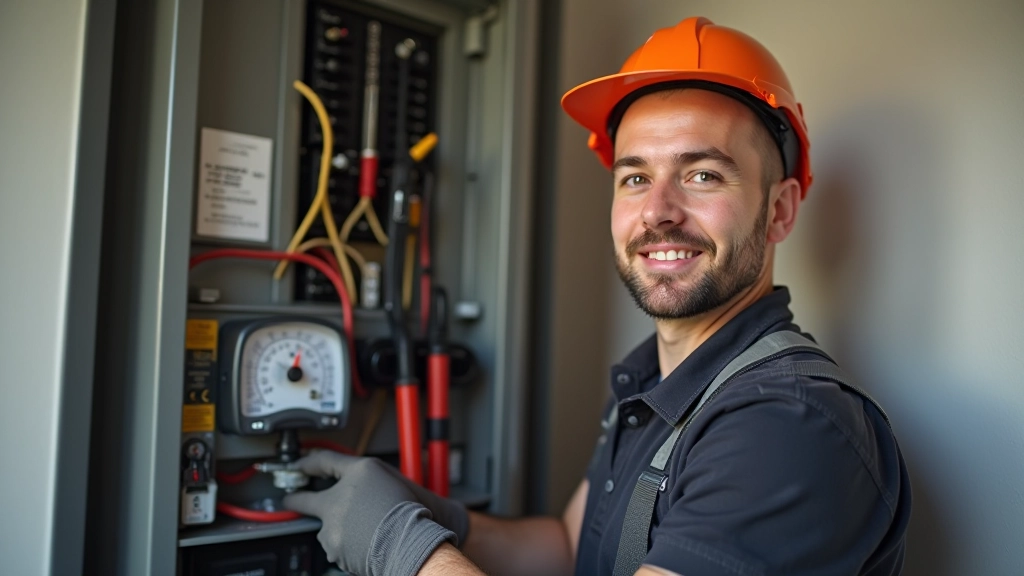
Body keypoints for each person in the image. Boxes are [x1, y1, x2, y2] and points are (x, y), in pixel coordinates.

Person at [283, 16, 912, 576]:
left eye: (702, 174)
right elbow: (565, 547)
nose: (658, 212)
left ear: (779, 211)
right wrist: (440, 519)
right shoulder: (660, 381)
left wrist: (405, 551)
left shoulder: (788, 425)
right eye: (636, 176)